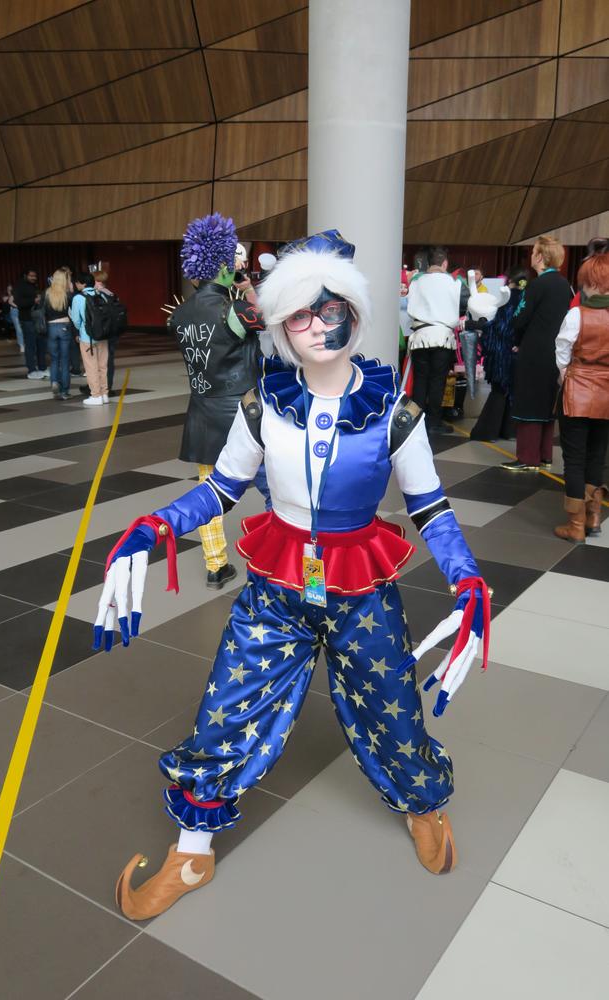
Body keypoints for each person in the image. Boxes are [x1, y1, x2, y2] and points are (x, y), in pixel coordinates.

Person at [94, 231, 491, 921]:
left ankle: (423, 804)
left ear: (355, 313)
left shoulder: (396, 415)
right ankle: (193, 848)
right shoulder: (261, 406)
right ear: (278, 326)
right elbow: (220, 489)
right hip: (277, 589)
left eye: (328, 309)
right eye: (298, 315)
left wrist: (466, 577)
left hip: (363, 590)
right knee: (229, 705)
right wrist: (155, 526)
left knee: (391, 707)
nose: (316, 326)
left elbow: (431, 508)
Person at [167, 213, 266, 590]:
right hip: (245, 416)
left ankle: (216, 565)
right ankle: (284, 561)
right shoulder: (235, 310)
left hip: (202, 415)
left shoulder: (178, 315)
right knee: (277, 489)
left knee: (210, 493)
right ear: (224, 265)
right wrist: (248, 289)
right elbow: (271, 318)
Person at [500, 236, 572, 471]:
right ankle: (545, 456)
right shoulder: (565, 285)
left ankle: (527, 458)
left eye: (533, 252)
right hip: (556, 352)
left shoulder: (536, 285)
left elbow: (519, 318)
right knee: (547, 403)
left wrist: (517, 338)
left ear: (540, 256)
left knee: (528, 401)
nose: (531, 256)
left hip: (533, 352)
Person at [553, 253, 609, 541]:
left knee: (574, 459)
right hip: (607, 394)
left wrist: (566, 372)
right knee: (597, 456)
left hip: (577, 393)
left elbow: (562, 350)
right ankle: (594, 517)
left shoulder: (577, 314)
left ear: (591, 282)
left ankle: (575, 526)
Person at [406, 246, 465, 434]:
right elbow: (463, 307)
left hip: (420, 337)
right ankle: (433, 422)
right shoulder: (453, 283)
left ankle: (416, 420)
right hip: (442, 338)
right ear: (445, 263)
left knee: (421, 379)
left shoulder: (416, 282)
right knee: (437, 381)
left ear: (428, 262)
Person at [469, 269, 528, 441]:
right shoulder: (527, 299)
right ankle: (509, 431)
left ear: (509, 282)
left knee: (498, 391)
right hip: (519, 353)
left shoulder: (507, 301)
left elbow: (499, 328)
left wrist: (474, 325)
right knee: (512, 392)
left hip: (502, 354)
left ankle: (487, 432)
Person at [69, 272, 109, 406]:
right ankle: (104, 394)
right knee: (102, 366)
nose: (75, 284)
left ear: (83, 284)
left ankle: (96, 395)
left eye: (77, 282)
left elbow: (76, 319)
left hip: (88, 338)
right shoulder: (101, 294)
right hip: (103, 336)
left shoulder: (78, 298)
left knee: (91, 367)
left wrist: (81, 330)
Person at [13, 267, 48, 379]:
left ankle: (42, 368)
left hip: (37, 319)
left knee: (41, 344)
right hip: (27, 319)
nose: (34, 278)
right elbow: (19, 302)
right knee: (30, 345)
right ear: (25, 276)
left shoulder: (34, 286)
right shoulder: (19, 286)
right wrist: (34, 300)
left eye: (35, 276)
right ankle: (32, 370)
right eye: (31, 276)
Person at [44, 269, 73, 400]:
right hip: (64, 327)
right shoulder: (67, 294)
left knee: (54, 359)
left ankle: (54, 381)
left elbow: (41, 310)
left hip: (51, 327)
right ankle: (64, 391)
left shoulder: (46, 293)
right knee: (65, 360)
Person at [92, 270, 119, 396]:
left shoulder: (97, 295)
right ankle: (108, 385)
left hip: (103, 332)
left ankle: (101, 387)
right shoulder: (111, 294)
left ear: (97, 281)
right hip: (113, 332)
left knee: (100, 361)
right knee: (109, 360)